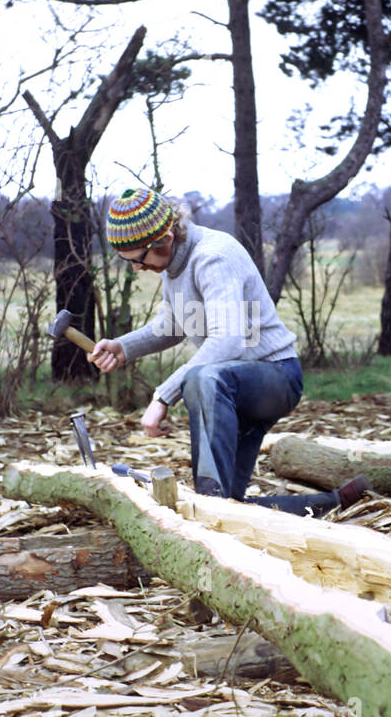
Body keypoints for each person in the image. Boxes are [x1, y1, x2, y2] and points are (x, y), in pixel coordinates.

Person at [88, 186, 367, 516]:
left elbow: (227, 341)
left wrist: (162, 397)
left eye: (138, 259)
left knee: (201, 379)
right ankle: (334, 503)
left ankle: (209, 508)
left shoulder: (212, 256)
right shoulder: (172, 263)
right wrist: (123, 347)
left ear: (164, 238)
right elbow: (173, 324)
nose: (137, 268)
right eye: (128, 261)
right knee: (232, 506)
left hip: (274, 376)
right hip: (232, 386)